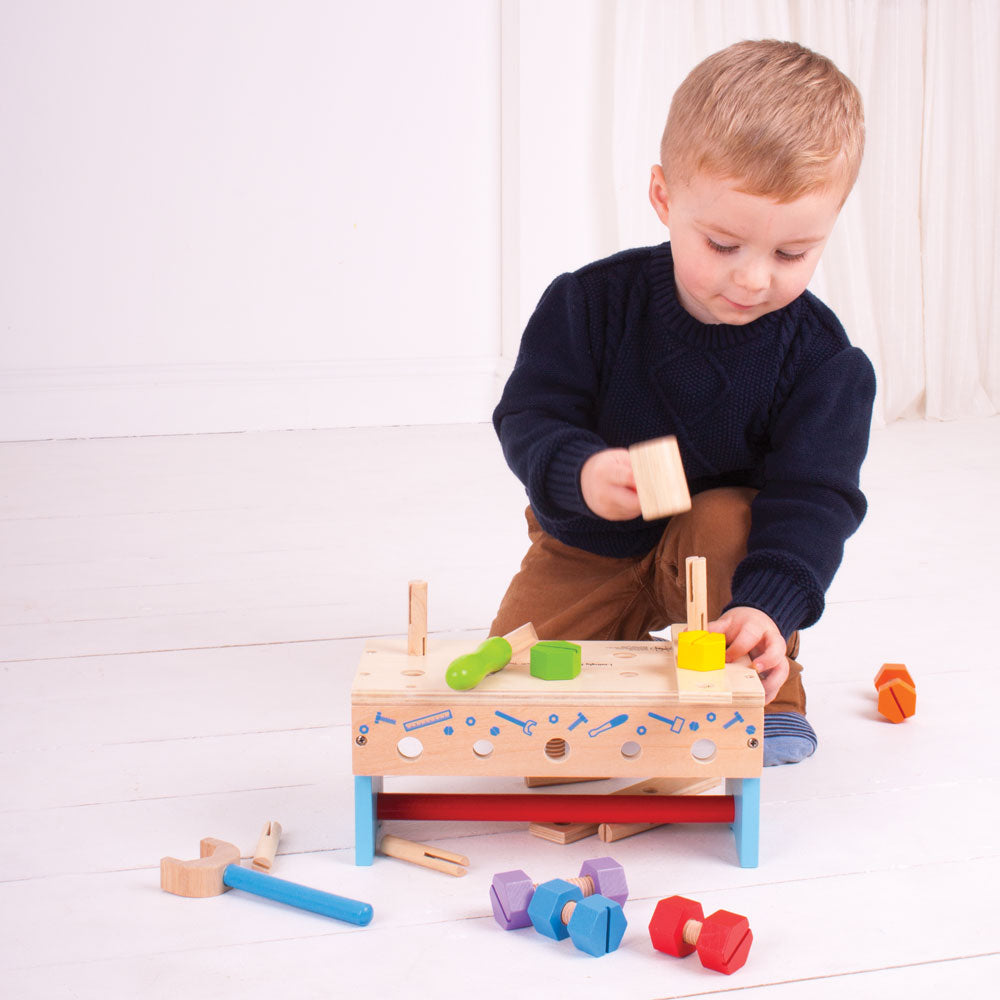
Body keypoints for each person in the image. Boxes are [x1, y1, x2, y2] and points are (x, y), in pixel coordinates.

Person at [489, 39, 876, 766]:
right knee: (513, 693)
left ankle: (772, 697)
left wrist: (768, 606)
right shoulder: (589, 304)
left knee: (733, 518)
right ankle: (613, 642)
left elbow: (815, 500)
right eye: (724, 243)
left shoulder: (824, 361)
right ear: (665, 197)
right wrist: (580, 471)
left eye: (792, 254)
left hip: (724, 560)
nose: (755, 279)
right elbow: (529, 415)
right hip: (588, 546)